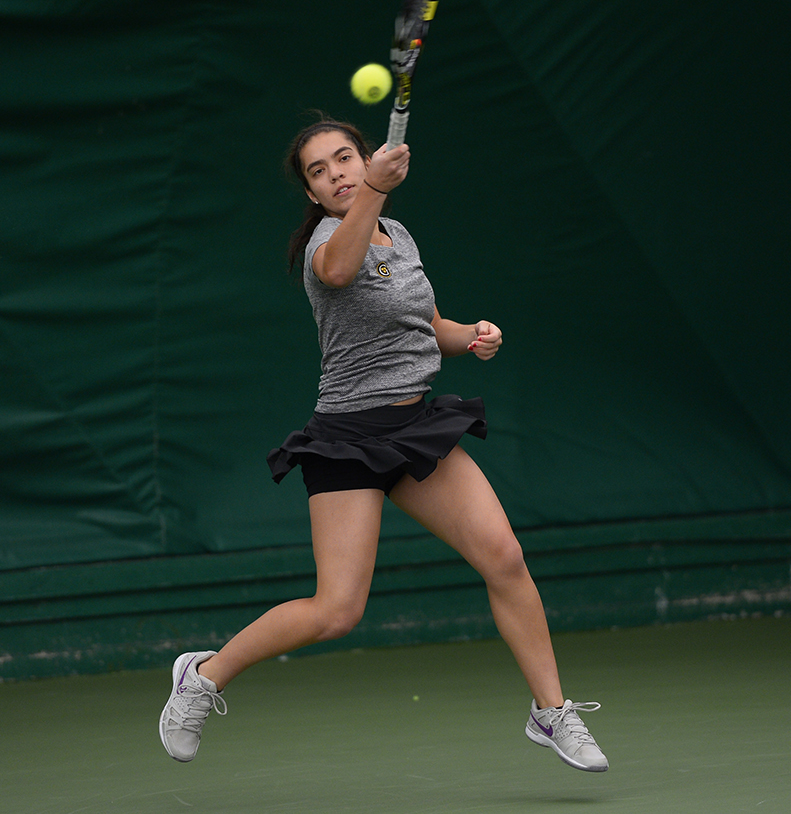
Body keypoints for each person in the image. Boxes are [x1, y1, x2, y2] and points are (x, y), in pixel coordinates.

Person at [159, 115, 608, 773]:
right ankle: (202, 674)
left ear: (365, 157)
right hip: (348, 438)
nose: (337, 172)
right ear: (313, 194)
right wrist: (372, 186)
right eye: (320, 169)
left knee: (505, 556)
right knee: (336, 610)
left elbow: (428, 324)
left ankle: (550, 710)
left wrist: (471, 335)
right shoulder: (323, 246)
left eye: (346, 157)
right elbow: (341, 270)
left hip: (414, 427)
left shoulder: (398, 234)